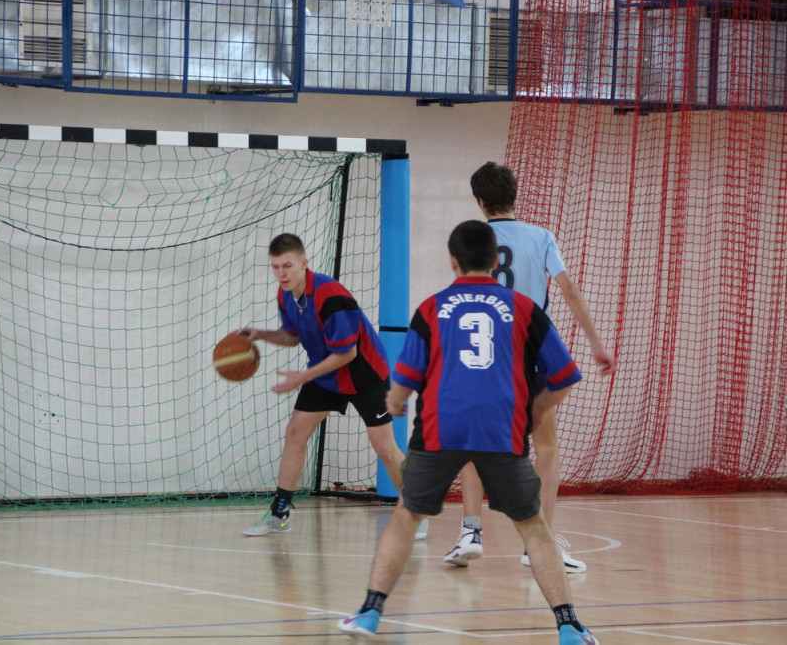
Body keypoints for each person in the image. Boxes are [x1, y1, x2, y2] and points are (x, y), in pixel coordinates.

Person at [337, 220, 598, 645]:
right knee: (534, 526)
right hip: (502, 431)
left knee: (406, 516)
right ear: (495, 261)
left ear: (452, 261)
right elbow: (566, 375)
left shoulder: (431, 308)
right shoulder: (525, 308)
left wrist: (396, 401)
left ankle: (369, 613)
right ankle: (570, 626)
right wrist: (536, 410)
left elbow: (406, 378)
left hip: (441, 429)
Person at [443, 161, 616, 573]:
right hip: (530, 348)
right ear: (514, 195)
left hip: (486, 349)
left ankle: (470, 532)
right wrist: (595, 342)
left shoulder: (474, 237)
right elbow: (568, 290)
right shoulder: (541, 237)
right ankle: (540, 543)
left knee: (472, 441)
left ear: (480, 201)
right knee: (547, 444)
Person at [238, 233, 426, 540]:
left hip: (365, 375)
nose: (281, 273)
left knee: (384, 447)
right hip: (325, 375)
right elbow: (292, 336)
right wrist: (261, 334)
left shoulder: (331, 295)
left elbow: (348, 353)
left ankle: (417, 511)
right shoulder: (285, 295)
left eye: (287, 265)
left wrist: (302, 377)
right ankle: (279, 514)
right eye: (276, 267)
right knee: (294, 434)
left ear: (304, 263)